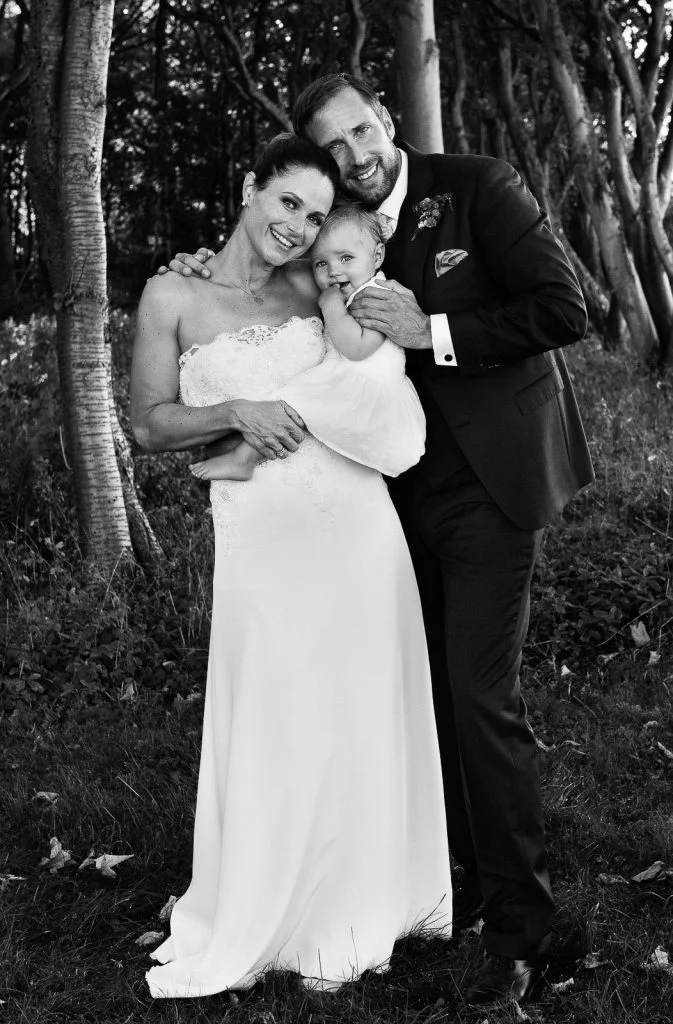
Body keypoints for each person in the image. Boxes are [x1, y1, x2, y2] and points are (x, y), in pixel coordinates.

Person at [168, 73, 595, 1004]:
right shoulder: (328, 228)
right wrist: (206, 265)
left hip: (485, 484)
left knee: (478, 696)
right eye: (335, 145)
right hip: (386, 495)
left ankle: (524, 929)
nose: (356, 153)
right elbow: (264, 287)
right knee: (421, 691)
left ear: (386, 119)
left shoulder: (477, 185)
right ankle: (452, 881)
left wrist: (432, 327)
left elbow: (566, 308)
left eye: (362, 130)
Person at [132, 133, 452, 999]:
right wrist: (235, 409)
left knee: (356, 709)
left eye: (314, 215)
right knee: (279, 712)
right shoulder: (172, 293)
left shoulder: (316, 282)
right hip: (261, 542)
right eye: (287, 203)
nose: (299, 227)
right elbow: (149, 424)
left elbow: (371, 352)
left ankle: (362, 901)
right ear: (249, 187)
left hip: (355, 528)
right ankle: (266, 901)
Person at [189, 204, 403, 482]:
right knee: (293, 403)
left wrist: (332, 306)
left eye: (346, 258)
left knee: (296, 402)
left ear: (377, 256)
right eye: (321, 263)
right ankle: (247, 458)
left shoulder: (379, 295)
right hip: (346, 382)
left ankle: (244, 459)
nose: (334, 271)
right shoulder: (354, 287)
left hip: (365, 386)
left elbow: (357, 348)